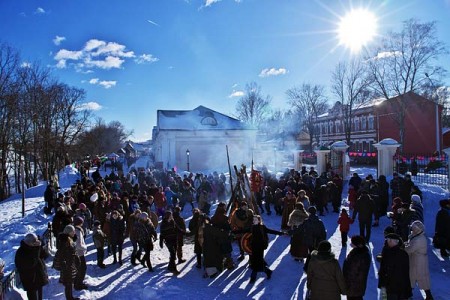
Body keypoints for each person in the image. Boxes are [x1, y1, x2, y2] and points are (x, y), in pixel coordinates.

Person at [246, 215, 284, 283]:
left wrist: (280, 233)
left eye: (255, 219)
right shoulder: (252, 227)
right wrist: (234, 231)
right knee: (256, 261)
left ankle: (253, 277)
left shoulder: (262, 227)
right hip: (254, 247)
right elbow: (244, 231)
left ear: (259, 220)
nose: (254, 221)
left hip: (260, 247)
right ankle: (268, 271)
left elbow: (270, 231)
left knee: (258, 261)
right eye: (253, 219)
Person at [404, 221, 433, 300]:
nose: (412, 230)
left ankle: (408, 295)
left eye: (413, 229)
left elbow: (410, 249)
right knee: (422, 277)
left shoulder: (418, 239)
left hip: (417, 261)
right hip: (418, 260)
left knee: (413, 276)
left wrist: (403, 248)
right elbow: (410, 243)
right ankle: (428, 296)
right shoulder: (418, 236)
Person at [378, 233, 412, 300]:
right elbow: (406, 272)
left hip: (390, 287)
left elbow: (385, 270)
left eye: (388, 240)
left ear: (392, 241)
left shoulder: (388, 253)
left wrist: (382, 285)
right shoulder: (404, 253)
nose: (387, 242)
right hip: (401, 287)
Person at [15, 233, 49, 300]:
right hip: (30, 279)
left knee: (40, 296)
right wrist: (36, 250)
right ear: (29, 243)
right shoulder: (21, 252)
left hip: (38, 276)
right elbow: (32, 263)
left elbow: (45, 255)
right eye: (34, 242)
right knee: (32, 297)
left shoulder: (34, 248)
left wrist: (40, 247)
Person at [343, 235, 371, 300]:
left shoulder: (359, 256)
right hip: (356, 286)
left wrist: (345, 281)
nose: (351, 244)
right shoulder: (358, 252)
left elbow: (352, 271)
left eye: (352, 243)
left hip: (354, 286)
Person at [58, 225, 81, 300]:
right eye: (73, 231)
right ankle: (69, 298)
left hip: (70, 264)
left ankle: (70, 297)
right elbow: (63, 254)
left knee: (69, 282)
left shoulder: (69, 239)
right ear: (69, 232)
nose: (74, 232)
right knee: (68, 283)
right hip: (67, 265)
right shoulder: (65, 241)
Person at [73, 217, 88, 291]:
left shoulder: (75, 229)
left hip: (77, 253)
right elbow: (79, 244)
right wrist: (85, 247)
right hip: (79, 253)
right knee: (82, 268)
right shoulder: (78, 231)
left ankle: (77, 282)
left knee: (79, 268)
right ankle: (78, 284)